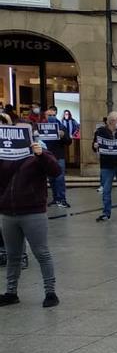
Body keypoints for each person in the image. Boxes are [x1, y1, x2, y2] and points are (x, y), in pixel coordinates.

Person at [0, 124, 60, 307]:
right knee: (13, 255)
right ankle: (11, 292)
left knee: (41, 252)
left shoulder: (40, 154)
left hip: (33, 211)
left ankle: (50, 292)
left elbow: (56, 171)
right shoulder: (4, 155)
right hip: (8, 211)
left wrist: (40, 155)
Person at [93, 111, 117, 222]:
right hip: (107, 165)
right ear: (111, 121)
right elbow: (94, 146)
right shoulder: (100, 132)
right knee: (106, 190)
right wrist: (95, 145)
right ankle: (106, 213)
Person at [38, 106, 70, 208]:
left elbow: (69, 141)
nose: (51, 117)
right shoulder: (41, 127)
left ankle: (62, 199)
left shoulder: (61, 127)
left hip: (58, 156)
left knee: (60, 178)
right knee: (51, 179)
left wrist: (63, 135)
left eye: (53, 115)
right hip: (47, 156)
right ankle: (56, 199)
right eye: (49, 115)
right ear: (45, 116)